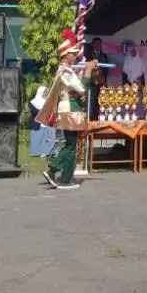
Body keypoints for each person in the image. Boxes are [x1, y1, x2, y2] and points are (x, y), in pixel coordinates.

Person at [38, 29, 96, 190]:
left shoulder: (67, 70)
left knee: (72, 145)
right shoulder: (65, 71)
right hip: (70, 110)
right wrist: (88, 70)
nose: (76, 56)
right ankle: (55, 172)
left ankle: (64, 177)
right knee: (71, 146)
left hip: (71, 109)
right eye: (73, 53)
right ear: (66, 54)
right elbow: (82, 88)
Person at [86, 37, 109, 121]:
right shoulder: (88, 55)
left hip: (102, 82)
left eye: (100, 43)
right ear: (93, 45)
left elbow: (106, 69)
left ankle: (101, 118)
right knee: (92, 100)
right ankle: (91, 119)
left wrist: (103, 78)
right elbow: (87, 68)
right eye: (97, 43)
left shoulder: (104, 56)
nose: (99, 45)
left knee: (102, 100)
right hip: (92, 82)